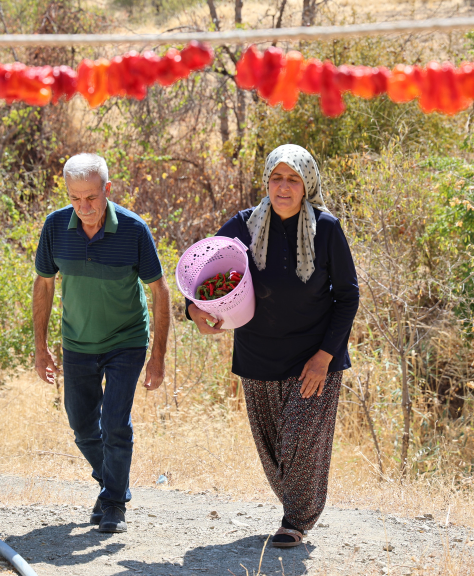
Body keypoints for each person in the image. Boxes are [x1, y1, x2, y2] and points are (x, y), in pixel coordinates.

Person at [186, 144, 359, 547]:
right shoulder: (242, 226)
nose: (284, 187)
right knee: (272, 448)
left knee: (299, 440)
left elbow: (347, 296)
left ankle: (295, 521)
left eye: (293, 179)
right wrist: (193, 310)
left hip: (314, 359)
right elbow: (205, 275)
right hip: (257, 355)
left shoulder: (326, 228)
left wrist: (324, 357)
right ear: (266, 181)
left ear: (307, 184)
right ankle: (296, 505)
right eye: (276, 178)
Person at [33, 153, 170, 534]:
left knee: (114, 423)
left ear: (107, 190)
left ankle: (112, 504)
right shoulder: (56, 227)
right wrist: (40, 347)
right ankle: (115, 485)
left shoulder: (132, 229)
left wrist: (157, 356)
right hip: (77, 342)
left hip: (126, 341)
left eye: (91, 198)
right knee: (82, 427)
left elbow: (159, 292)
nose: (84, 207)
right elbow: (43, 284)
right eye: (75, 199)